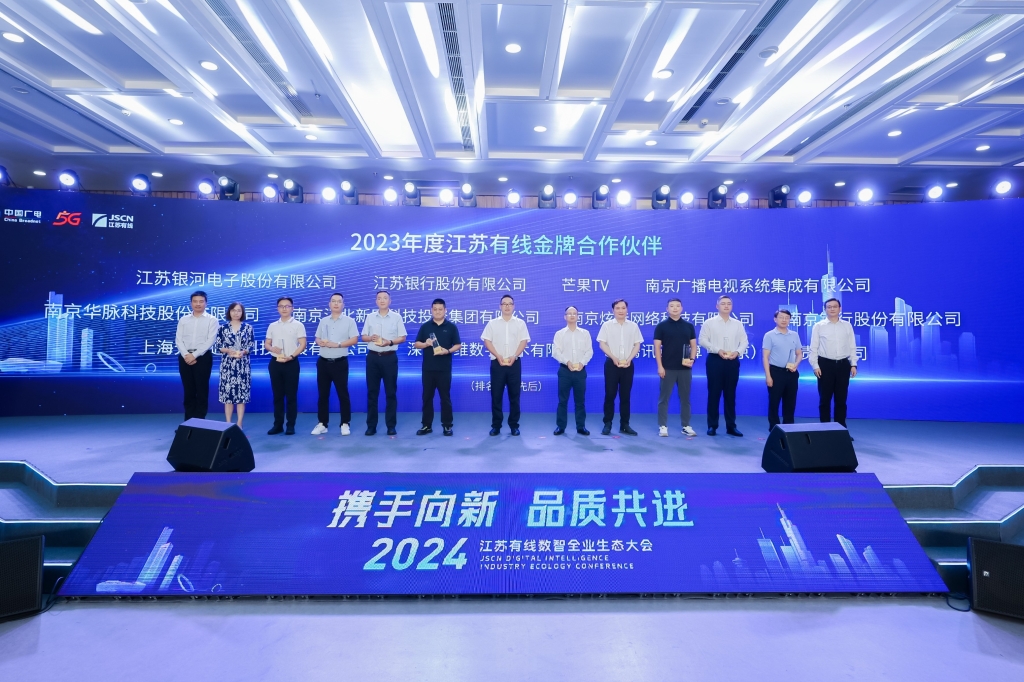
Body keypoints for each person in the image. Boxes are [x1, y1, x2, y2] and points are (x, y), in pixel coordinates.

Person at [698, 295, 748, 437]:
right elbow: (702, 340)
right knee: (714, 394)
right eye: (723, 303)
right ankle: (712, 426)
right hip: (715, 360)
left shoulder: (737, 324)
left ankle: (731, 426)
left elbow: (744, 341)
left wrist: (737, 352)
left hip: (732, 360)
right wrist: (717, 350)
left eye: (729, 304)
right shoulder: (709, 323)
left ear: (732, 306)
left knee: (730, 395)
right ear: (717, 306)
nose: (726, 306)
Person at [481, 295, 530, 436]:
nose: (507, 306)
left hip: (514, 363)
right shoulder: (492, 323)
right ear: (500, 306)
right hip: (497, 363)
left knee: (514, 396)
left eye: (510, 304)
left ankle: (514, 425)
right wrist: (498, 356)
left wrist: (514, 356)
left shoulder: (520, 323)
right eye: (504, 304)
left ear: (514, 306)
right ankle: (496, 426)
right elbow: (487, 341)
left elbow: (523, 341)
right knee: (496, 396)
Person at [312, 293, 359, 436]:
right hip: (323, 362)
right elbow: (317, 337)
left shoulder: (349, 321)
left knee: (343, 394)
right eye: (333, 301)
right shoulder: (323, 321)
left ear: (343, 304)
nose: (336, 304)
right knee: (323, 395)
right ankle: (322, 423)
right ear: (329, 304)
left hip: (340, 362)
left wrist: (337, 344)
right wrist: (319, 342)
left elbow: (354, 340)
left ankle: (345, 423)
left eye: (339, 301)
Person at [413, 298, 462, 436]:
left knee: (445, 398)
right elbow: (416, 344)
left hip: (444, 369)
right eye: (435, 309)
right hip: (428, 369)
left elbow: (458, 345)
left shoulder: (451, 327)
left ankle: (447, 426)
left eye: (440, 309)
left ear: (445, 310)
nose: (438, 312)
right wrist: (426, 344)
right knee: (427, 398)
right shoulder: (425, 326)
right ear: (431, 310)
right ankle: (426, 425)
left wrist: (447, 351)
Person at [361, 291, 407, 436]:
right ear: (376, 301)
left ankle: (391, 426)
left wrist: (390, 342)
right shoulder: (370, 317)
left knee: (391, 393)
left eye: (385, 298)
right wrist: (370, 338)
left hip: (389, 358)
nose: (382, 300)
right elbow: (363, 337)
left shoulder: (396, 317)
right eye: (379, 298)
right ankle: (371, 426)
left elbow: (403, 337)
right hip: (373, 358)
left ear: (390, 301)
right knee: (372, 393)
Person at [809, 298, 858, 428]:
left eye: (835, 306)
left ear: (840, 309)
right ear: (825, 309)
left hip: (843, 365)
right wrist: (815, 365)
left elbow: (852, 346)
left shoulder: (847, 325)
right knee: (824, 399)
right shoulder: (819, 326)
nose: (832, 309)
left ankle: (840, 428)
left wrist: (853, 364)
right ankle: (825, 429)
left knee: (841, 399)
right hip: (825, 365)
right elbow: (813, 347)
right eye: (829, 307)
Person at [597, 299, 643, 436]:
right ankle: (607, 423)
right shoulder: (607, 325)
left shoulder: (633, 326)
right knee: (610, 395)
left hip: (628, 364)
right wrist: (614, 358)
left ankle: (625, 424)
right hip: (611, 364)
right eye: (618, 308)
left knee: (625, 396)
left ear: (627, 310)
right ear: (613, 310)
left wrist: (629, 359)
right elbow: (602, 344)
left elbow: (637, 344)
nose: (621, 310)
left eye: (623, 308)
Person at [654, 298, 698, 437]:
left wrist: (692, 360)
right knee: (664, 398)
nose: (675, 308)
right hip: (668, 368)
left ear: (682, 308)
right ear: (667, 309)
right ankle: (663, 426)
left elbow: (694, 346)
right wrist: (660, 366)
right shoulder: (661, 326)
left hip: (685, 369)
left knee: (685, 398)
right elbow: (657, 348)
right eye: (672, 306)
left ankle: (686, 426)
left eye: (678, 306)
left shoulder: (688, 326)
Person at [175, 290, 220, 421]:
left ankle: (200, 423)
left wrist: (194, 355)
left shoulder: (212, 320)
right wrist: (186, 355)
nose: (198, 304)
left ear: (206, 303)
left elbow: (210, 340)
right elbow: (178, 339)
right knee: (188, 390)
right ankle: (188, 422)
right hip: (184, 357)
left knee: (201, 390)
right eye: (195, 301)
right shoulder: (183, 319)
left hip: (203, 357)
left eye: (201, 301)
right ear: (191, 303)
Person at [264, 297, 307, 435]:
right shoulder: (272, 325)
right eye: (281, 306)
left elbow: (303, 344)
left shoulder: (298, 325)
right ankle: (278, 425)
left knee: (291, 396)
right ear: (277, 308)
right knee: (277, 396)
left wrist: (292, 356)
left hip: (291, 363)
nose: (284, 308)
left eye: (287, 306)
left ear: (292, 308)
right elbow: (267, 343)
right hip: (275, 363)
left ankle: (290, 425)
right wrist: (272, 348)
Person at [552, 306, 593, 436]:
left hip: (580, 371)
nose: (572, 315)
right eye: (569, 313)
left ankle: (581, 426)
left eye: (574, 313)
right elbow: (556, 352)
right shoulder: (559, 334)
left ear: (578, 316)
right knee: (562, 400)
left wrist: (582, 363)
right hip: (565, 371)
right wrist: (567, 362)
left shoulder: (585, 333)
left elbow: (589, 351)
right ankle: (560, 426)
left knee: (580, 401)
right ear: (565, 317)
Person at [762, 309, 803, 431]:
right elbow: (765, 357)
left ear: (790, 320)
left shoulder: (794, 335)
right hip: (776, 373)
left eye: (787, 318)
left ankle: (788, 428)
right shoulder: (769, 335)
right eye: (781, 317)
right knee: (774, 402)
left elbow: (799, 353)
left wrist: (796, 364)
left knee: (790, 402)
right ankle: (774, 427)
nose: (784, 320)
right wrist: (768, 376)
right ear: (775, 319)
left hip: (791, 373)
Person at [216, 302, 253, 428]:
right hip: (227, 365)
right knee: (228, 396)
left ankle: (239, 423)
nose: (236, 313)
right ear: (229, 312)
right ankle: (228, 424)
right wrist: (227, 350)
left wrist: (244, 352)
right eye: (233, 310)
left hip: (243, 365)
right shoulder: (222, 328)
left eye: (239, 310)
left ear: (242, 313)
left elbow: (251, 345)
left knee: (241, 396)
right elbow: (218, 346)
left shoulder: (248, 328)